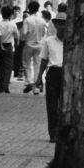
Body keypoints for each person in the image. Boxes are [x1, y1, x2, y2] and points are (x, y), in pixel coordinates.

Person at [36, 8, 65, 143]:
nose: (62, 26)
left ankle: (63, 132)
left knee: (64, 105)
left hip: (66, 74)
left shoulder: (72, 42)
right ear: (56, 24)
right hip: (53, 73)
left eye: (64, 23)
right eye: (59, 23)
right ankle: (53, 133)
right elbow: (44, 59)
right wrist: (39, 77)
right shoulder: (49, 41)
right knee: (52, 104)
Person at [20, 0, 47, 94]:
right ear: (38, 9)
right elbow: (44, 33)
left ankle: (29, 82)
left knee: (26, 64)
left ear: (29, 9)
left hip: (29, 44)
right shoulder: (42, 20)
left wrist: (23, 38)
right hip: (39, 45)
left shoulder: (27, 20)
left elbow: (23, 33)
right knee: (37, 65)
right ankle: (36, 87)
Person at [0, 6, 18, 93]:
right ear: (11, 15)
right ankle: (5, 85)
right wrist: (16, 45)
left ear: (2, 14)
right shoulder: (13, 24)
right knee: (8, 66)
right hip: (9, 46)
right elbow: (16, 36)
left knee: (0, 65)